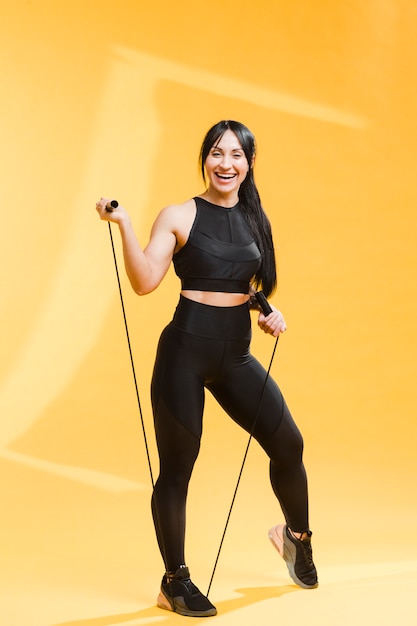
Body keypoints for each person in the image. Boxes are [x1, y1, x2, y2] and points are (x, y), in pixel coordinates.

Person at [95, 120, 318, 618]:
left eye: (236, 155)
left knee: (289, 445)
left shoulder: (255, 218)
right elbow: (145, 280)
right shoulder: (179, 214)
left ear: (249, 164)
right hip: (184, 355)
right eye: (217, 153)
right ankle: (174, 581)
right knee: (178, 468)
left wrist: (266, 311)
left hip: (234, 356)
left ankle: (296, 538)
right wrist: (126, 224)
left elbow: (245, 282)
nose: (225, 164)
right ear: (205, 158)